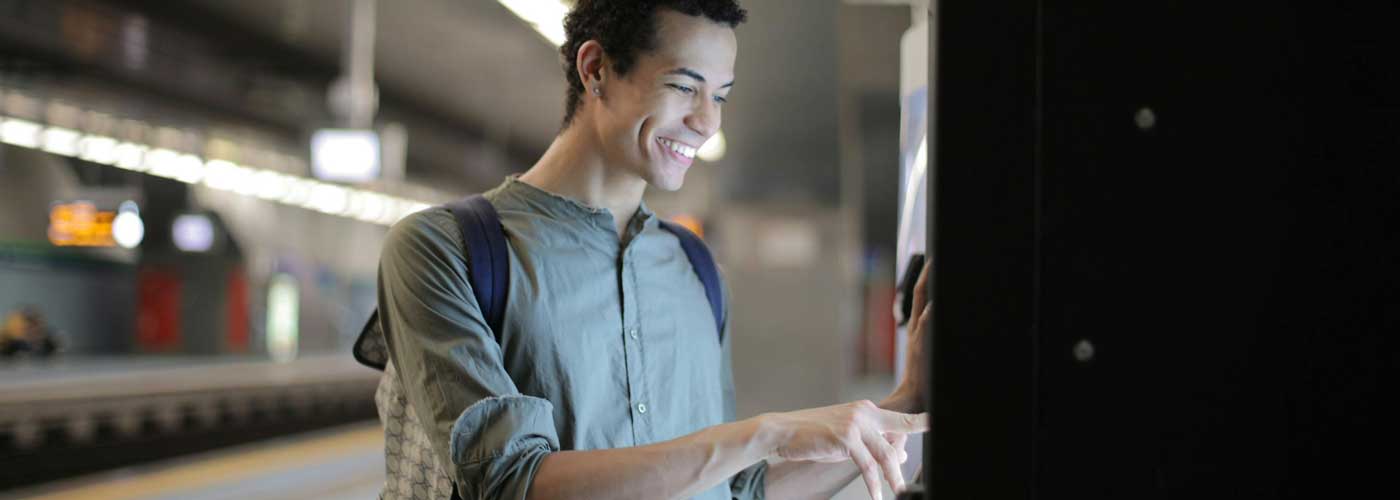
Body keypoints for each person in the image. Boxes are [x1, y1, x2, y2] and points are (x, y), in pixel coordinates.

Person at [373, 1, 932, 498]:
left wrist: (908, 397)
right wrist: (768, 433)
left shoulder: (695, 268)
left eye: (720, 96)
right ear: (596, 71)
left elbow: (740, 490)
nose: (707, 121)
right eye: (684, 87)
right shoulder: (445, 251)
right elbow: (510, 482)